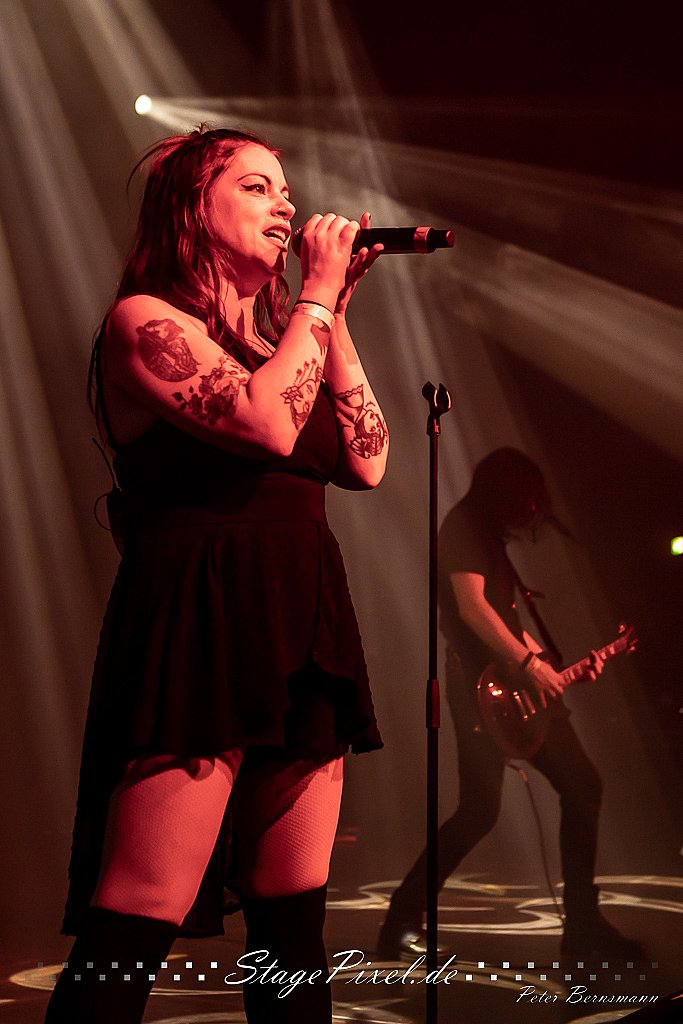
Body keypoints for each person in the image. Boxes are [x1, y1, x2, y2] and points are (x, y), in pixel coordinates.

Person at [45, 126, 389, 1024]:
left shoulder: (289, 338)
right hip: (200, 614)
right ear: (193, 209)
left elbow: (367, 459)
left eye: (286, 189)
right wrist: (315, 297)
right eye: (256, 186)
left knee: (293, 923)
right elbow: (266, 426)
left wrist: (333, 315)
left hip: (302, 615)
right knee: (139, 912)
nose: (285, 205)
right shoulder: (144, 321)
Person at [377, 447, 642, 961]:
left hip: (508, 685)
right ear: (508, 491)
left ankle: (583, 928)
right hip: (483, 689)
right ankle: (403, 918)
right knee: (484, 809)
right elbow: (472, 609)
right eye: (528, 500)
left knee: (575, 788)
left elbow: (503, 617)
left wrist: (551, 667)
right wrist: (527, 664)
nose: (533, 511)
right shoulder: (463, 526)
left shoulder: (486, 536)